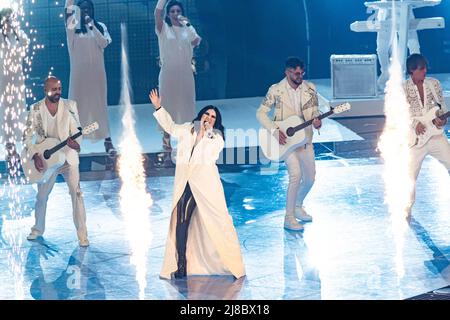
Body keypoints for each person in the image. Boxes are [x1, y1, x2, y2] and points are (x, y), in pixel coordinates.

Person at [149, 88, 245, 280]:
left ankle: (233, 262)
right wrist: (159, 107)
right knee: (181, 221)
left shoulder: (216, 138)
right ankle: (181, 263)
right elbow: (171, 127)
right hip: (186, 183)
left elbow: (209, 155)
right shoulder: (187, 129)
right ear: (201, 115)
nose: (209, 117)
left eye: (213, 116)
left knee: (220, 221)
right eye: (207, 114)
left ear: (216, 122)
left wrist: (206, 133)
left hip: (206, 186)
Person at [256, 57, 322, 231]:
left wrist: (317, 121)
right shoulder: (276, 90)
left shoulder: (310, 89)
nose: (299, 75)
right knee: (296, 175)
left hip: (304, 140)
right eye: (296, 72)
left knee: (310, 179)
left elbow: (315, 111)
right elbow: (261, 113)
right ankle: (289, 217)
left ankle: (298, 206)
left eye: (302, 72)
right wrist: (274, 130)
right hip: (285, 140)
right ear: (287, 72)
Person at [23, 76, 89, 247]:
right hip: (46, 160)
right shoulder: (36, 109)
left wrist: (76, 144)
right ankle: (37, 229)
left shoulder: (70, 106)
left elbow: (77, 130)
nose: (58, 92)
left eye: (59, 89)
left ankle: (83, 235)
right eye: (54, 89)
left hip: (67, 158)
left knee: (77, 194)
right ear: (45, 90)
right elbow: (27, 137)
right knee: (42, 196)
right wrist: (35, 155)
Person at [64, 0, 115, 157]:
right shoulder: (73, 28)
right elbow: (67, 10)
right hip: (79, 76)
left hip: (97, 75)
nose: (85, 11)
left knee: (99, 106)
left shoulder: (100, 26)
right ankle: (73, 142)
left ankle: (107, 140)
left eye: (88, 8)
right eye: (82, 9)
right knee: (77, 108)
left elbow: (104, 43)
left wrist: (92, 25)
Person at [404, 54, 450, 220]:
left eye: (425, 68)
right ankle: (406, 207)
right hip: (417, 140)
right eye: (421, 68)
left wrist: (440, 120)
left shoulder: (434, 84)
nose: (425, 71)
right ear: (411, 70)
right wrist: (414, 123)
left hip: (436, 137)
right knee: (410, 175)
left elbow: (441, 108)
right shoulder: (404, 88)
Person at [154, 0, 202, 151]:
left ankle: (190, 136)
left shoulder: (187, 29)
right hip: (168, 74)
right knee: (167, 105)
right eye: (172, 11)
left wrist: (188, 25)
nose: (176, 14)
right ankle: (166, 137)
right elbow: (157, 13)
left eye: (178, 11)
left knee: (188, 105)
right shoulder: (163, 29)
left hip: (186, 73)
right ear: (168, 14)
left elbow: (196, 41)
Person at [0, 7, 29, 177]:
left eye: (11, 18)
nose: (8, 21)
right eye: (6, 18)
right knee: (5, 115)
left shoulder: (17, 36)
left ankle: (17, 152)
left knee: (17, 114)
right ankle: (10, 151)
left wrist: (16, 28)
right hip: (2, 83)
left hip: (16, 82)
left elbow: (26, 42)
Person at [376, 0, 420, 91]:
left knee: (414, 45)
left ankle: (416, 76)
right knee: (381, 49)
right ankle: (385, 74)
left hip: (404, 9)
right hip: (386, 12)